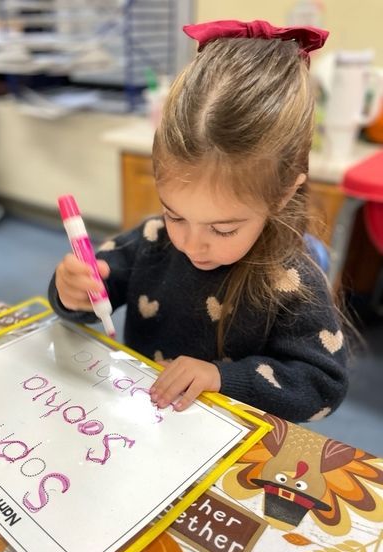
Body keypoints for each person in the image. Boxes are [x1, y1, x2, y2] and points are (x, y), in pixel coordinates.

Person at [49, 19, 349, 423]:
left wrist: (222, 378)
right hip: (142, 426)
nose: (190, 244)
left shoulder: (292, 282)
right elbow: (86, 305)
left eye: (223, 229)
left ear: (282, 194)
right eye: (175, 214)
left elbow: (322, 387)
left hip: (228, 447)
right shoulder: (153, 239)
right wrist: (72, 292)